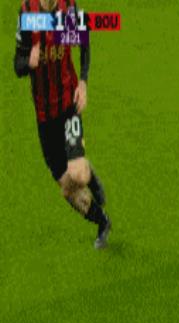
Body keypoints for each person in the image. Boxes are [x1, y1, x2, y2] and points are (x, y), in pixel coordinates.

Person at [14, 0, 111, 249]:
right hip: (45, 117)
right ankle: (102, 222)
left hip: (68, 106)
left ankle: (87, 173)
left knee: (78, 174)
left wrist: (84, 82)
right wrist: (28, 62)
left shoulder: (68, 8)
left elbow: (84, 40)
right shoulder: (27, 13)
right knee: (68, 189)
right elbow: (18, 64)